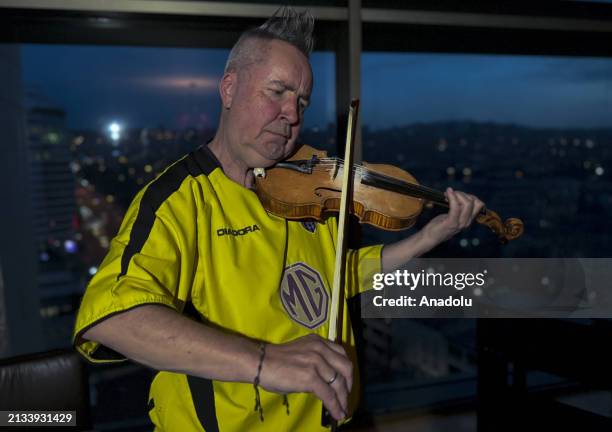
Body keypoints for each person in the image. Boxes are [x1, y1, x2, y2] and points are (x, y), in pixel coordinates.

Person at [72, 6, 485, 431]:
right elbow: (112, 317)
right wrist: (267, 362)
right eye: (277, 92)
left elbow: (338, 274)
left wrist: (429, 237)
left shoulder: (306, 191)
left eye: (301, 101)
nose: (292, 114)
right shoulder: (180, 200)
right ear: (229, 89)